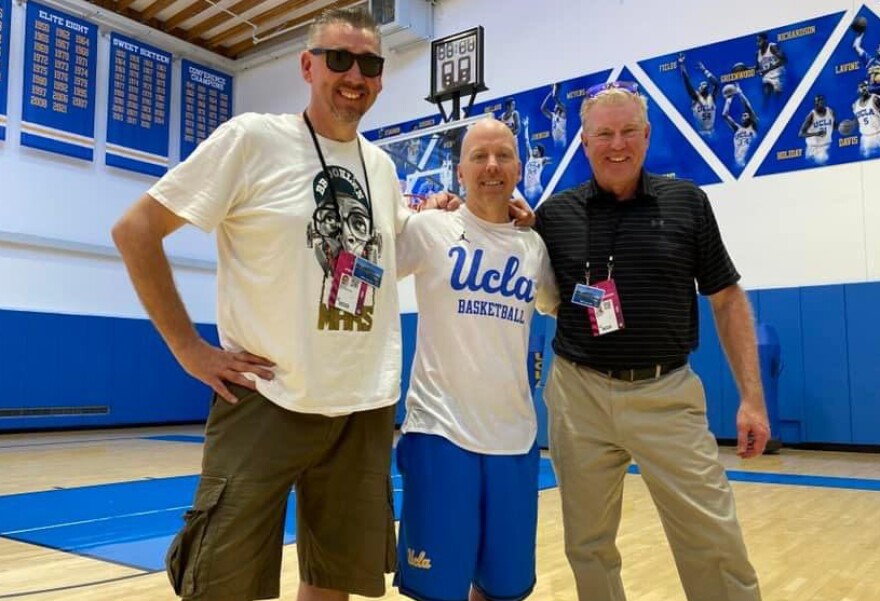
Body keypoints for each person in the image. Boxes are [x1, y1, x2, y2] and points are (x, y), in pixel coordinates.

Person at [112, 8, 408, 601]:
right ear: (307, 65)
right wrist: (189, 349)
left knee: (334, 580)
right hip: (265, 394)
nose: (355, 74)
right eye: (339, 59)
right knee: (221, 582)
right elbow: (135, 230)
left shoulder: (382, 167)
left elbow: (391, 249)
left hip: (362, 402)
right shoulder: (252, 139)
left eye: (370, 63)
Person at [534, 81, 770, 601]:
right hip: (579, 395)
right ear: (583, 141)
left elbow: (727, 299)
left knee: (714, 538)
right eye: (603, 134)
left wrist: (752, 399)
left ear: (646, 136)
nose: (616, 144)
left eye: (628, 132)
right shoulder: (553, 215)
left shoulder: (687, 202)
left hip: (667, 394)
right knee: (587, 545)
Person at [394, 116, 558, 601]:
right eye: (479, 157)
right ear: (459, 172)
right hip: (440, 433)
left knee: (504, 589)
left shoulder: (535, 248)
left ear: (519, 168)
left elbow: (557, 301)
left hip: (514, 436)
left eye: (503, 155)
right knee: (438, 589)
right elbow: (369, 271)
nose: (491, 166)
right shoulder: (429, 230)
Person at [678, 53, 719, 137]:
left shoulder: (712, 97)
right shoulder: (696, 97)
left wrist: (704, 70)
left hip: (712, 132)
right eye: (701, 85)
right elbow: (687, 81)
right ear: (699, 89)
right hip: (700, 134)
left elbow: (717, 84)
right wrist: (682, 64)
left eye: (705, 84)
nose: (703, 85)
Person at [722, 83, 759, 168]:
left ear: (750, 118)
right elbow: (724, 115)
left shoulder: (754, 126)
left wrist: (740, 93)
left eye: (745, 115)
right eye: (742, 115)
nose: (743, 116)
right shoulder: (737, 129)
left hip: (752, 161)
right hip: (739, 163)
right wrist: (728, 100)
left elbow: (748, 107)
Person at [798, 94, 835, 165]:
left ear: (823, 102)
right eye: (817, 102)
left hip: (826, 146)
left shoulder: (830, 111)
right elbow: (801, 134)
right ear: (815, 103)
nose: (819, 103)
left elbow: (833, 125)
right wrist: (816, 134)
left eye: (821, 101)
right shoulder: (812, 115)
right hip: (813, 148)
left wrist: (841, 127)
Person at [523, 117, 552, 203]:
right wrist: (526, 127)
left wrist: (549, 159)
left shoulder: (542, 160)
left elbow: (552, 159)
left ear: (540, 151)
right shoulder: (529, 157)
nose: (534, 150)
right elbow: (527, 141)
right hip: (527, 189)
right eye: (534, 148)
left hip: (536, 188)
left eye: (536, 149)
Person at [852, 79, 880, 157]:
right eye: (862, 87)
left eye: (866, 86)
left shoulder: (875, 98)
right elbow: (858, 121)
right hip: (865, 138)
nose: (864, 88)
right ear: (858, 89)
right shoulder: (855, 105)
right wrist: (851, 125)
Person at [852, 27, 880, 95]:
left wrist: (869, 88)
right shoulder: (870, 61)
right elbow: (856, 46)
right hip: (870, 100)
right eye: (879, 46)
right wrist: (861, 33)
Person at [541, 83, 568, 147]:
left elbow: (555, 98)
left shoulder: (563, 114)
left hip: (562, 140)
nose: (554, 107)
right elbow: (543, 108)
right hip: (555, 140)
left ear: (559, 108)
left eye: (556, 106)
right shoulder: (553, 116)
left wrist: (554, 89)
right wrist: (550, 94)